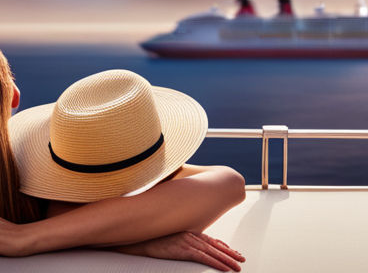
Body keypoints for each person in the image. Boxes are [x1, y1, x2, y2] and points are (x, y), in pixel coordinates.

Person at [0, 51, 246, 272]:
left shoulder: (25, 179)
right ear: (14, 95)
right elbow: (228, 183)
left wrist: (137, 243)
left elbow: (229, 183)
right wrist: (26, 239)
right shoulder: (30, 188)